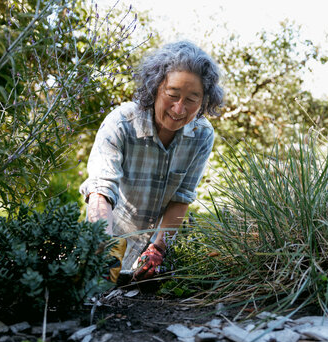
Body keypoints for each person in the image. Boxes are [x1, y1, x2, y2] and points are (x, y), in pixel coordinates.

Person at [80, 40, 223, 283]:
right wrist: (103, 246)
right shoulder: (121, 123)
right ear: (155, 87)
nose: (179, 109)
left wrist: (158, 249)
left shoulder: (202, 134)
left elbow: (182, 197)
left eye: (191, 99)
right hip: (106, 239)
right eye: (173, 94)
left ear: (204, 100)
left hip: (149, 250)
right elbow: (100, 190)